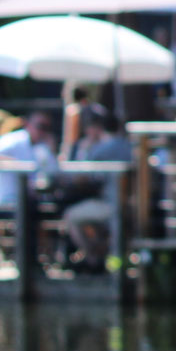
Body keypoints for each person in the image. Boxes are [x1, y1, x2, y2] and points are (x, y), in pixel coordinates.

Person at [60, 107, 134, 270]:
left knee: (70, 216)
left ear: (100, 128)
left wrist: (85, 149)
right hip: (133, 205)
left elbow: (80, 177)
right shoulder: (130, 147)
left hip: (112, 206)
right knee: (96, 221)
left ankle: (93, 257)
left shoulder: (101, 149)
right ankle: (102, 254)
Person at [0, 111, 58, 218]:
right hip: (5, 202)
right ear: (28, 124)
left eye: (47, 128)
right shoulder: (16, 139)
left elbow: (54, 172)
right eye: (40, 126)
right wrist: (15, 164)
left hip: (27, 202)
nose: (43, 132)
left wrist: (52, 150)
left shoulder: (42, 147)